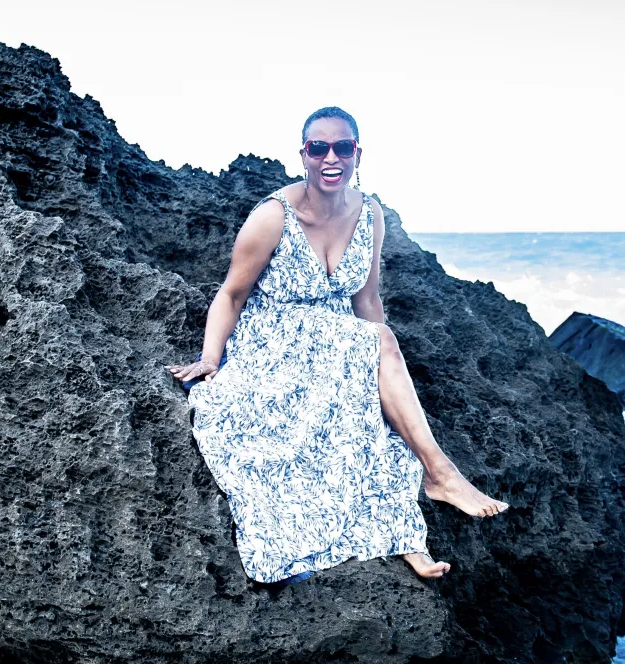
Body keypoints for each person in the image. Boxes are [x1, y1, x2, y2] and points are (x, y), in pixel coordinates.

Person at [166, 106, 509, 584]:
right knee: (373, 359)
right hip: (275, 342)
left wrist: (383, 367)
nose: (331, 158)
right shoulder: (273, 217)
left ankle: (405, 538)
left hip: (337, 341)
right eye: (319, 148)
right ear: (303, 155)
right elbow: (231, 294)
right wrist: (210, 358)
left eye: (342, 147)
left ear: (357, 154)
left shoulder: (370, 214)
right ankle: (440, 473)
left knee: (375, 428)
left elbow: (367, 299)